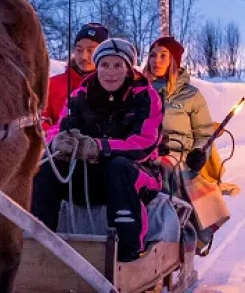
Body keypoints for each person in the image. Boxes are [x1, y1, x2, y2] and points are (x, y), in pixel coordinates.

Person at [32, 37, 162, 262]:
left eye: (117, 65)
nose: (110, 72)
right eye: (104, 65)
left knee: (119, 167)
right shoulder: (79, 96)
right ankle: (37, 243)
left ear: (129, 68)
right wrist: (57, 142)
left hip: (138, 173)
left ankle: (127, 252)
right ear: (97, 67)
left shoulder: (146, 96)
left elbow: (144, 143)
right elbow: (58, 127)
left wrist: (99, 147)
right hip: (89, 177)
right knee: (47, 168)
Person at [145, 36, 240, 197]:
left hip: (179, 157)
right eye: (153, 55)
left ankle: (178, 217)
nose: (156, 61)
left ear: (173, 60)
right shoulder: (139, 91)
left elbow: (204, 133)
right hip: (146, 153)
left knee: (167, 171)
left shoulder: (191, 95)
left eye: (163, 55)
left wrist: (198, 153)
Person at [42, 22, 109, 131]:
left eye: (91, 50)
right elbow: (41, 121)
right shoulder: (52, 84)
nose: (83, 56)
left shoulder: (115, 85)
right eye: (79, 49)